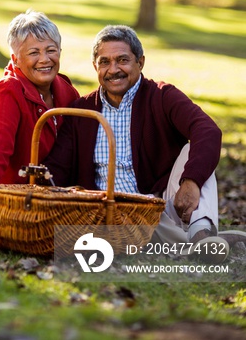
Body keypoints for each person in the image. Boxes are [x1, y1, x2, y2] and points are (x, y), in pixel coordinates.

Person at [43, 25, 245, 257]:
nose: (114, 69)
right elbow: (57, 167)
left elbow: (208, 130)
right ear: (95, 67)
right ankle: (197, 244)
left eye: (122, 60)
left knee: (196, 151)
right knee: (142, 222)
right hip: (109, 215)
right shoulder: (81, 111)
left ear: (140, 62)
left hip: (161, 205)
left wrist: (191, 181)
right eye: (104, 62)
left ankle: (200, 236)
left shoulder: (162, 96)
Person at [0, 10, 80, 223]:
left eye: (51, 50)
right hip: (14, 204)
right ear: (16, 59)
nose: (44, 59)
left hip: (57, 201)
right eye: (34, 53)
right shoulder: (7, 93)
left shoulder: (67, 90)